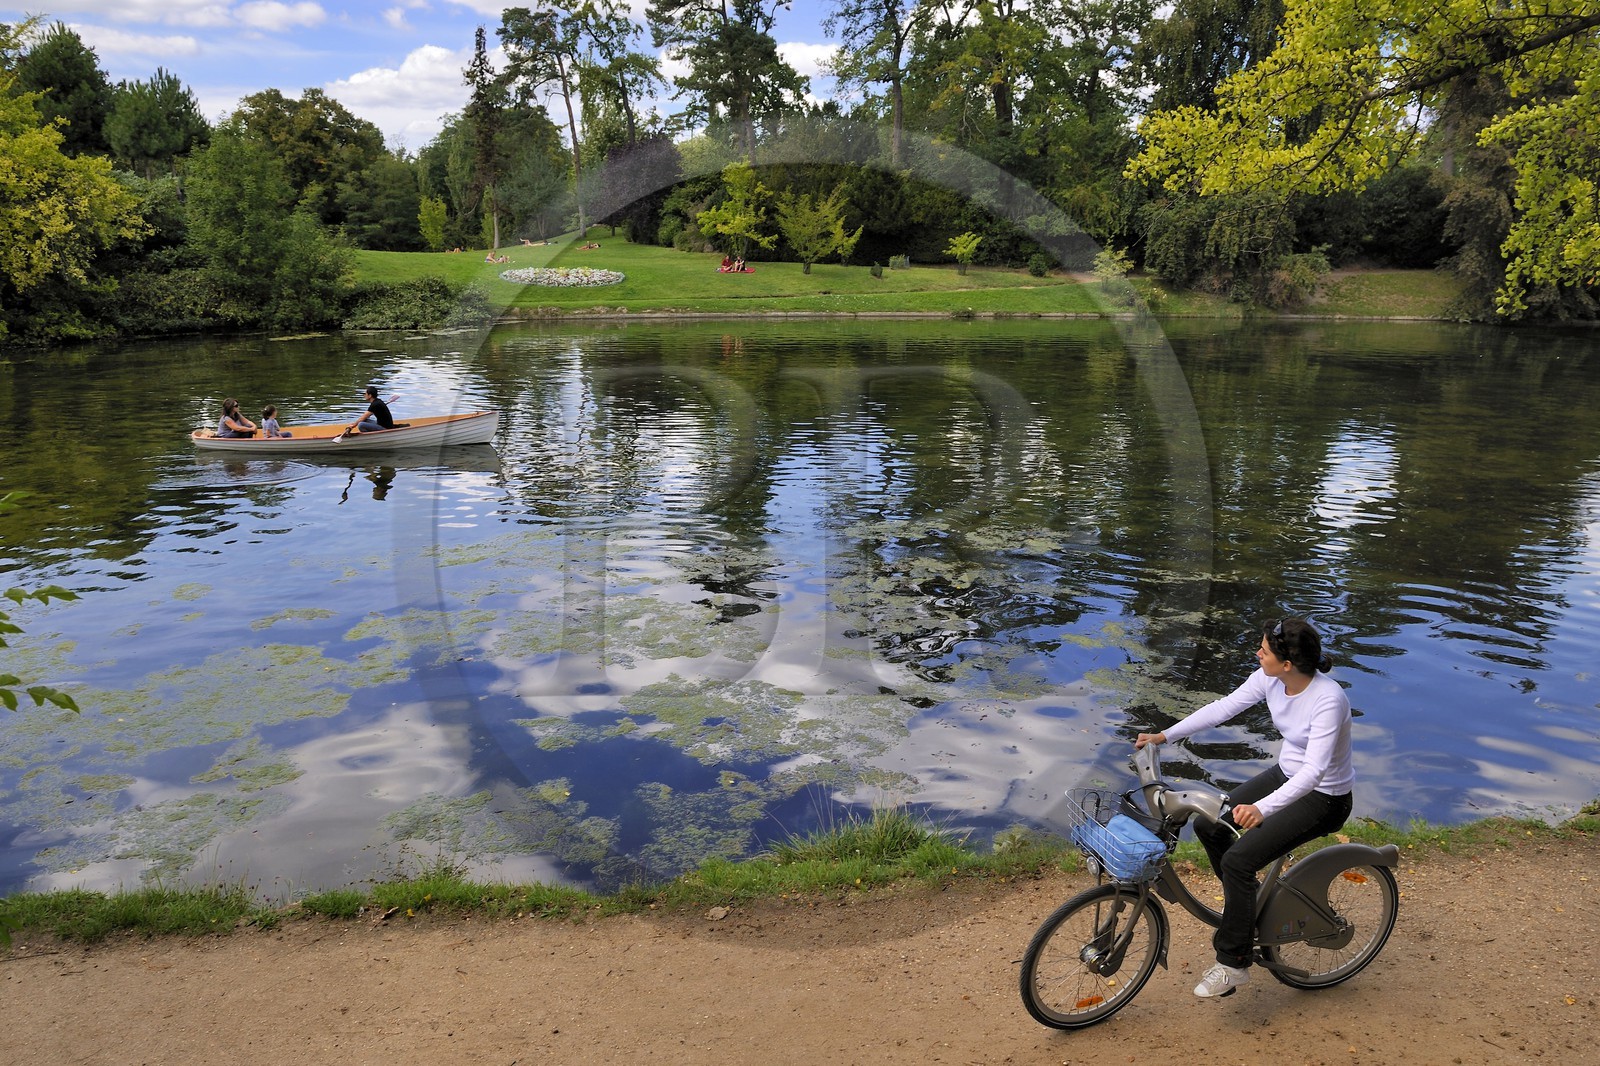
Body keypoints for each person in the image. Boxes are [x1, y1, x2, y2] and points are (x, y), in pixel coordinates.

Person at [1134, 616, 1353, 1000]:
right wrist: (1164, 735)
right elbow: (1224, 708)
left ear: (1287, 664)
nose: (1257, 653)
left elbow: (1315, 773)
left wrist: (1263, 808)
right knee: (1210, 827)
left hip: (1325, 797)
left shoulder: (1328, 700)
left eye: (1264, 650)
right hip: (1286, 775)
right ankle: (1246, 911)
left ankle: (1233, 962)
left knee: (1238, 861)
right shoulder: (1271, 678)